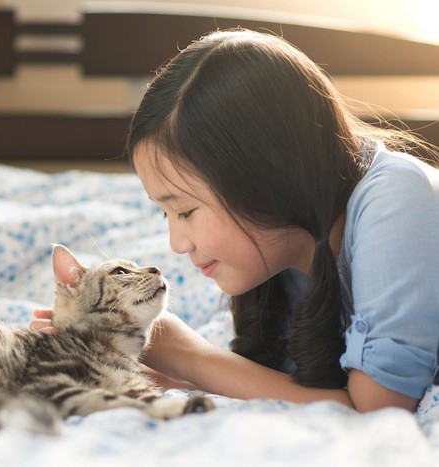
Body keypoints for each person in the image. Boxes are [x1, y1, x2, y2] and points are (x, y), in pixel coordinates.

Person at [32, 29, 439, 413]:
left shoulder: (396, 202)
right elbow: (307, 387)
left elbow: (376, 411)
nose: (177, 243)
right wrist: (178, 376)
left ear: (266, 178)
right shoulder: (286, 254)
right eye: (165, 213)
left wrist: (189, 355)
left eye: (186, 211)